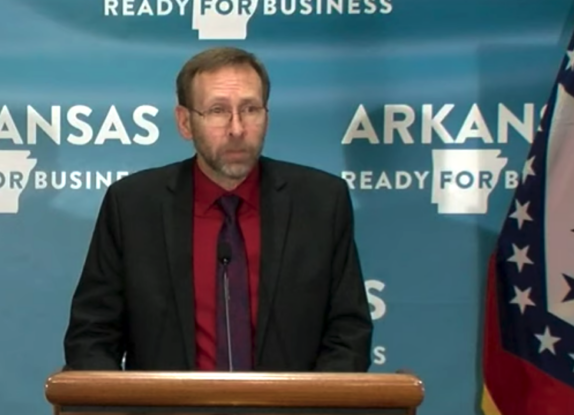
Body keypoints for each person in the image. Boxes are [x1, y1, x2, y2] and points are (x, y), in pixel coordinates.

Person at [63, 46, 372, 373]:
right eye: (218, 111)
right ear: (185, 122)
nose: (237, 129)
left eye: (250, 109)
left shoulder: (320, 202)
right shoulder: (134, 206)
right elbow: (92, 336)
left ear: (266, 116)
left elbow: (348, 332)